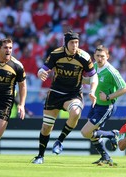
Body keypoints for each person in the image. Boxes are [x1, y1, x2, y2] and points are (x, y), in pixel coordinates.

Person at [31, 30, 97, 164]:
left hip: (73, 94)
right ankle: (40, 156)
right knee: (46, 127)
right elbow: (43, 69)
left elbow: (93, 76)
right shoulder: (56, 54)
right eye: (72, 43)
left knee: (76, 112)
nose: (75, 45)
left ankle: (59, 141)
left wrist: (93, 91)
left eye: (77, 42)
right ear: (66, 43)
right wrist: (40, 73)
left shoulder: (84, 57)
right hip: (55, 93)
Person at [80, 45, 126, 165]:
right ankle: (105, 157)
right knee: (93, 134)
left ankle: (112, 134)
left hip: (106, 106)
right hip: (95, 104)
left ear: (107, 56)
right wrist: (77, 77)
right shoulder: (95, 66)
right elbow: (89, 80)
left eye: (102, 56)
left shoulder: (111, 71)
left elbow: (125, 88)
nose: (100, 59)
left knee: (85, 132)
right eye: (97, 56)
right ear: (94, 56)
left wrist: (108, 97)